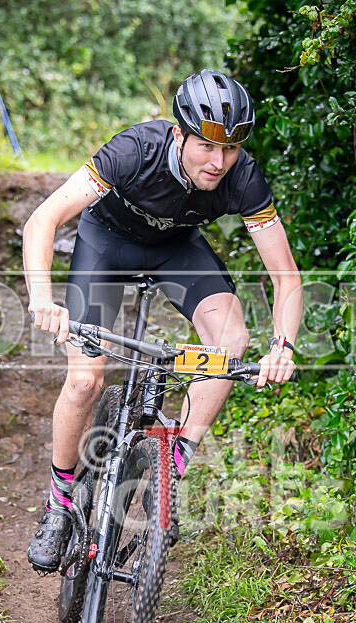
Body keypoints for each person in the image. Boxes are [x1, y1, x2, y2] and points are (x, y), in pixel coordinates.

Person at [23, 69, 303, 573]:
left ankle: (170, 470)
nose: (219, 163)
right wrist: (44, 299)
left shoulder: (242, 175)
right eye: (206, 147)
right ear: (179, 134)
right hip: (106, 244)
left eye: (231, 149)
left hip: (176, 252)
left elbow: (286, 277)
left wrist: (282, 346)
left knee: (232, 339)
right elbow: (43, 220)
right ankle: (59, 504)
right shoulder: (135, 151)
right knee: (86, 380)